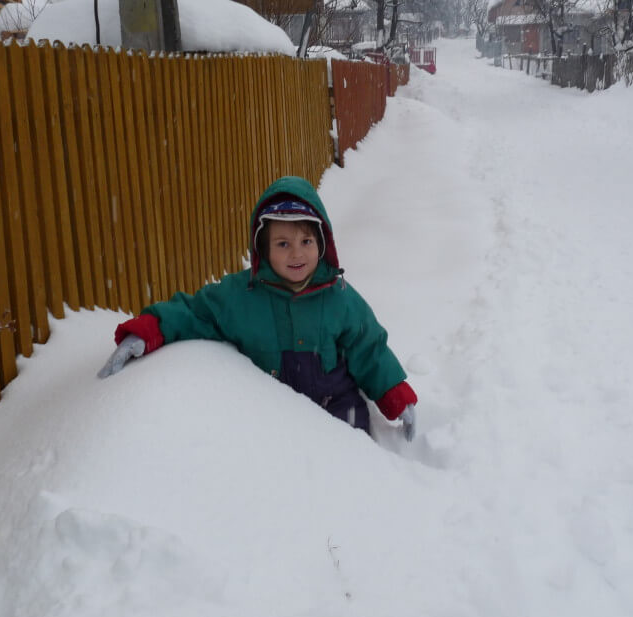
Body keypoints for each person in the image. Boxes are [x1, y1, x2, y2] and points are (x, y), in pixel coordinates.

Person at [97, 176, 418, 440]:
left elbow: (368, 347)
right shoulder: (241, 295)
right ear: (263, 248)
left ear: (322, 244)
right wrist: (147, 331)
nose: (297, 254)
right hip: (271, 412)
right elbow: (196, 312)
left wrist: (394, 395)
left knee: (351, 460)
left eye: (306, 242)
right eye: (283, 244)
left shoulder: (340, 297)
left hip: (336, 402)